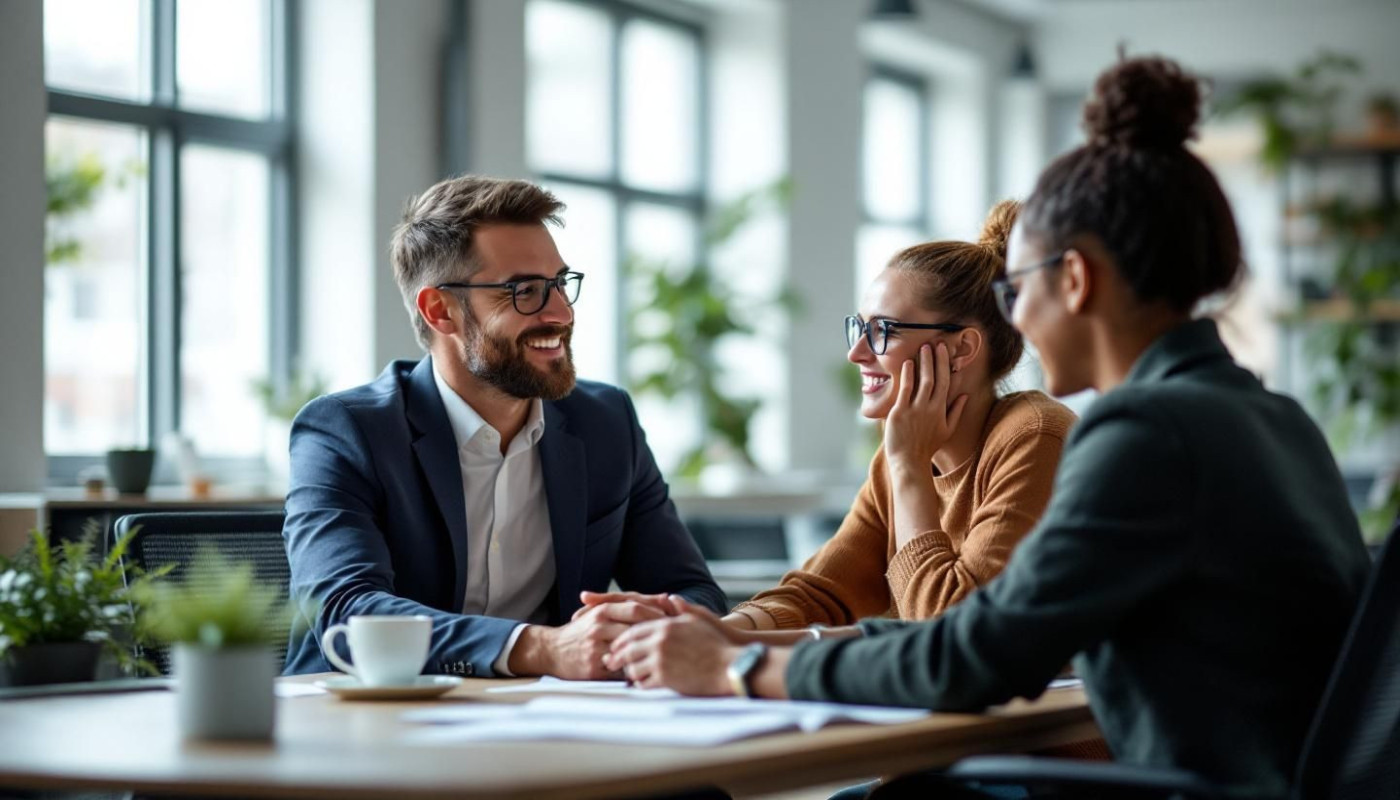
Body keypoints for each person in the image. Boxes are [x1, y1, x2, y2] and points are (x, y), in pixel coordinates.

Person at [606, 55, 1371, 799]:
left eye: (1018, 290)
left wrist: (738, 670)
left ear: (1074, 281)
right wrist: (739, 636)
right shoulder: (1272, 417)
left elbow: (968, 656)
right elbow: (974, 633)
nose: (1018, 321)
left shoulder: (1145, 434)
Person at [282, 175, 725, 680]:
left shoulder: (606, 423)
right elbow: (348, 612)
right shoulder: (347, 432)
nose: (561, 312)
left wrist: (640, 627)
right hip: (366, 718)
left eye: (560, 283)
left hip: (547, 719)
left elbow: (696, 593)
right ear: (440, 310)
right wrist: (540, 648)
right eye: (525, 292)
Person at [585, 202, 1075, 648]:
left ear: (963, 349)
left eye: (881, 331)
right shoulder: (901, 456)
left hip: (1047, 739)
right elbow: (823, 591)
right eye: (858, 328)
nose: (856, 352)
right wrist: (715, 629)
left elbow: (953, 633)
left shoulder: (1033, 438)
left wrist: (907, 468)